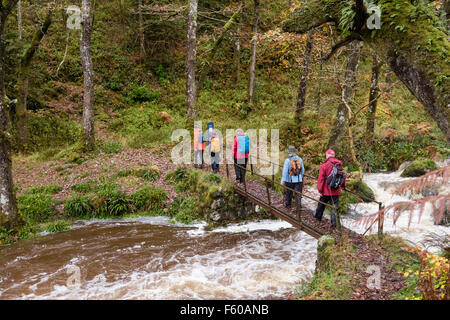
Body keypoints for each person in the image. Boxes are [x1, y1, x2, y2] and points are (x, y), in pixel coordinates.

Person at [314, 149, 346, 227]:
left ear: (327, 155)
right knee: (334, 208)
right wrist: (343, 186)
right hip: (335, 190)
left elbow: (321, 179)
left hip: (326, 190)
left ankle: (317, 218)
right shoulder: (339, 164)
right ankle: (333, 224)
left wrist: (320, 189)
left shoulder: (324, 165)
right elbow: (342, 176)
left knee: (321, 205)